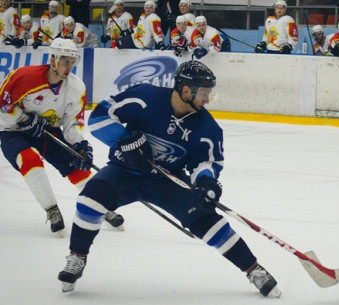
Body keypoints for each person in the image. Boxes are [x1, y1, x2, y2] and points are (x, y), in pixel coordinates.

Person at [56, 60, 282, 299]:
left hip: (167, 180)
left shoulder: (208, 129)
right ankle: (77, 257)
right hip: (124, 171)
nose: (207, 100)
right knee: (91, 198)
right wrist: (125, 140)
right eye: (204, 93)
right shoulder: (145, 97)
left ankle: (254, 269)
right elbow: (100, 117)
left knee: (208, 220)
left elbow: (206, 163)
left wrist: (206, 182)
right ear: (186, 90)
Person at [0, 38, 124, 236]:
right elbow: (3, 105)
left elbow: (72, 123)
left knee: (76, 163)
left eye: (72, 61)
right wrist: (24, 119)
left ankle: (99, 206)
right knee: (29, 159)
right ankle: (52, 210)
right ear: (53, 60)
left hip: (47, 131)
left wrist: (80, 144)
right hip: (13, 131)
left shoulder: (76, 88)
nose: (69, 66)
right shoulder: (24, 77)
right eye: (65, 61)